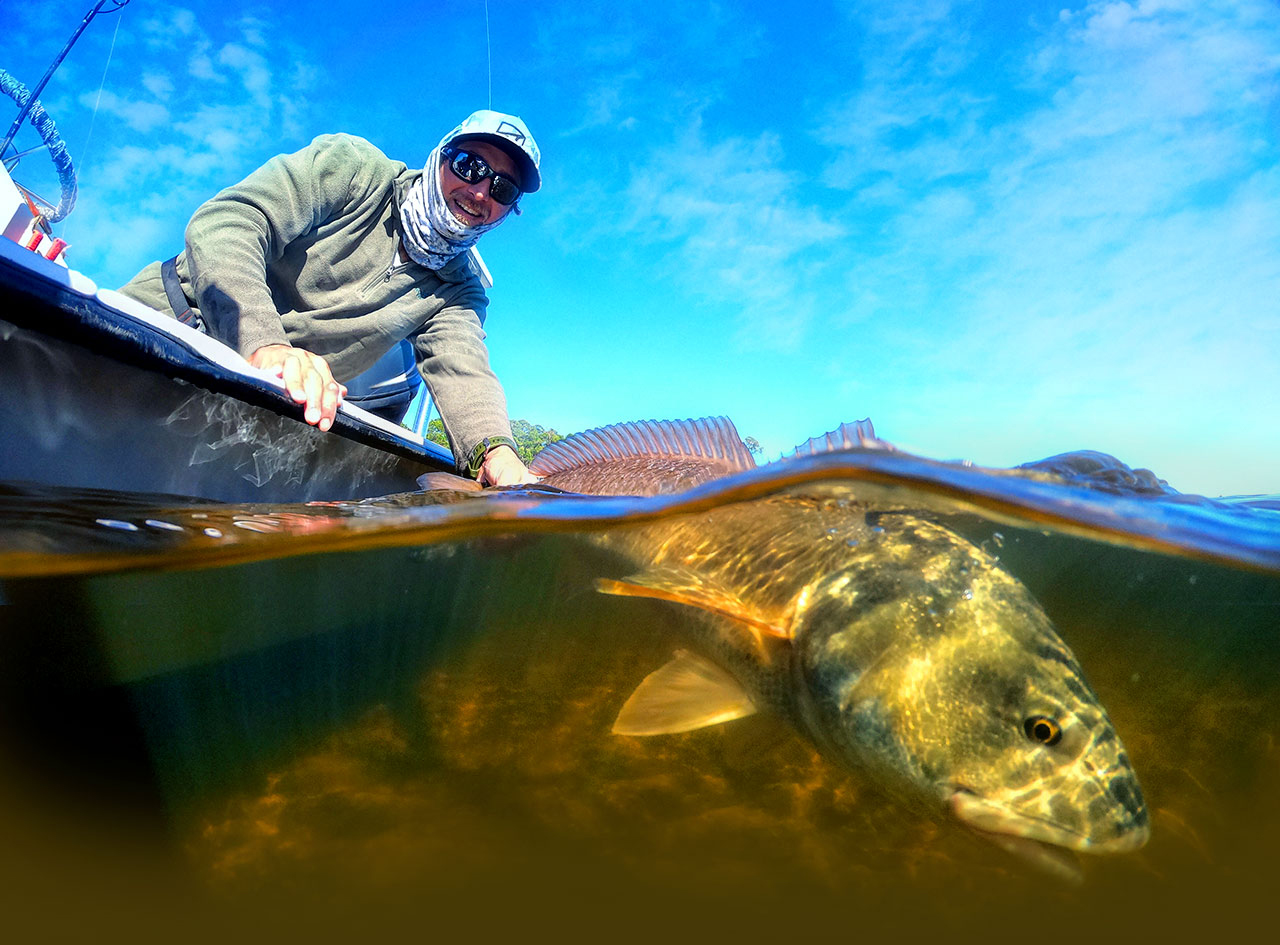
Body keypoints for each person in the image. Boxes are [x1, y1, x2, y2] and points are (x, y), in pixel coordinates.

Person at [118, 110, 541, 486]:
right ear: (440, 157)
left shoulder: (459, 290)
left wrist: (495, 453)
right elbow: (230, 220)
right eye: (470, 166)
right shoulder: (354, 167)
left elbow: (463, 369)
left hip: (257, 413)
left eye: (503, 189)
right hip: (163, 330)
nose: (481, 192)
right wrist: (266, 345)